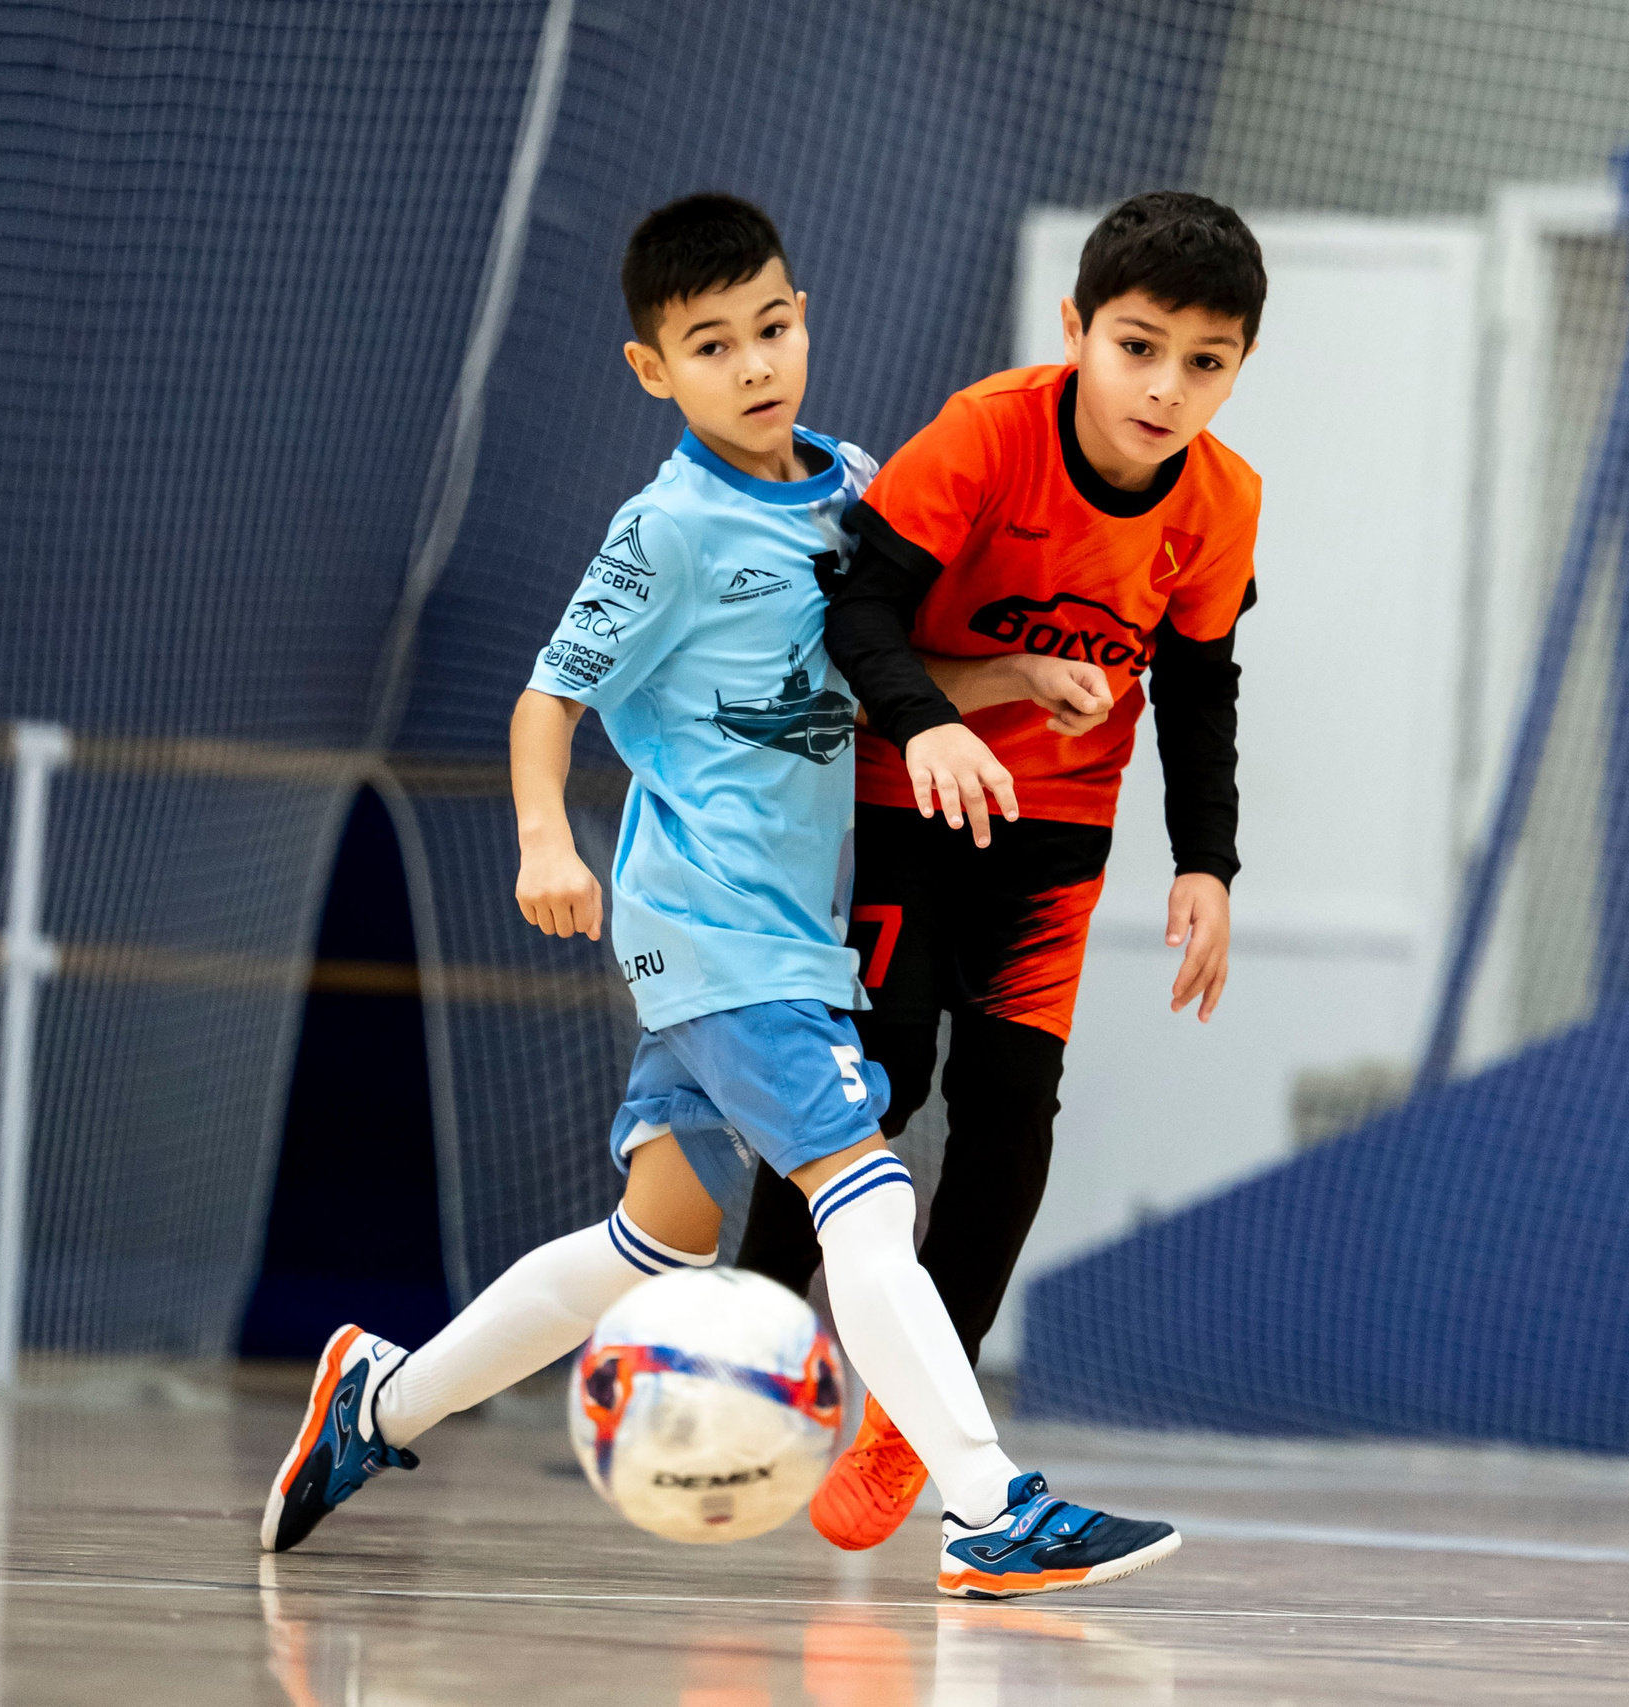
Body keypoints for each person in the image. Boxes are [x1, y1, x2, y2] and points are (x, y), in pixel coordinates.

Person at [259, 192, 1179, 1601]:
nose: (753, 364)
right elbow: (546, 697)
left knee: (654, 1244)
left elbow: (862, 686)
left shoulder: (852, 483)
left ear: (804, 317)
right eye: (710, 344)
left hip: (776, 934)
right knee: (862, 1193)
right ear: (655, 371)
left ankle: (376, 1406)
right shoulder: (669, 528)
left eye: (770, 327)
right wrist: (540, 845)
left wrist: (1002, 682)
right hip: (713, 923)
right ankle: (990, 1504)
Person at [735, 191, 1265, 1551]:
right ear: (1077, 330)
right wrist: (932, 726)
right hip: (914, 789)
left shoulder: (1222, 503)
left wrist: (1205, 865)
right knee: (877, 1080)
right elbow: (854, 609)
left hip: (1060, 834)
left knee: (1012, 1112)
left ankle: (920, 1417)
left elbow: (1201, 690)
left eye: (1205, 362)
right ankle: (743, 1337)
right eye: (1139, 347)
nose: (1165, 387)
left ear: (1239, 369)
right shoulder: (985, 433)